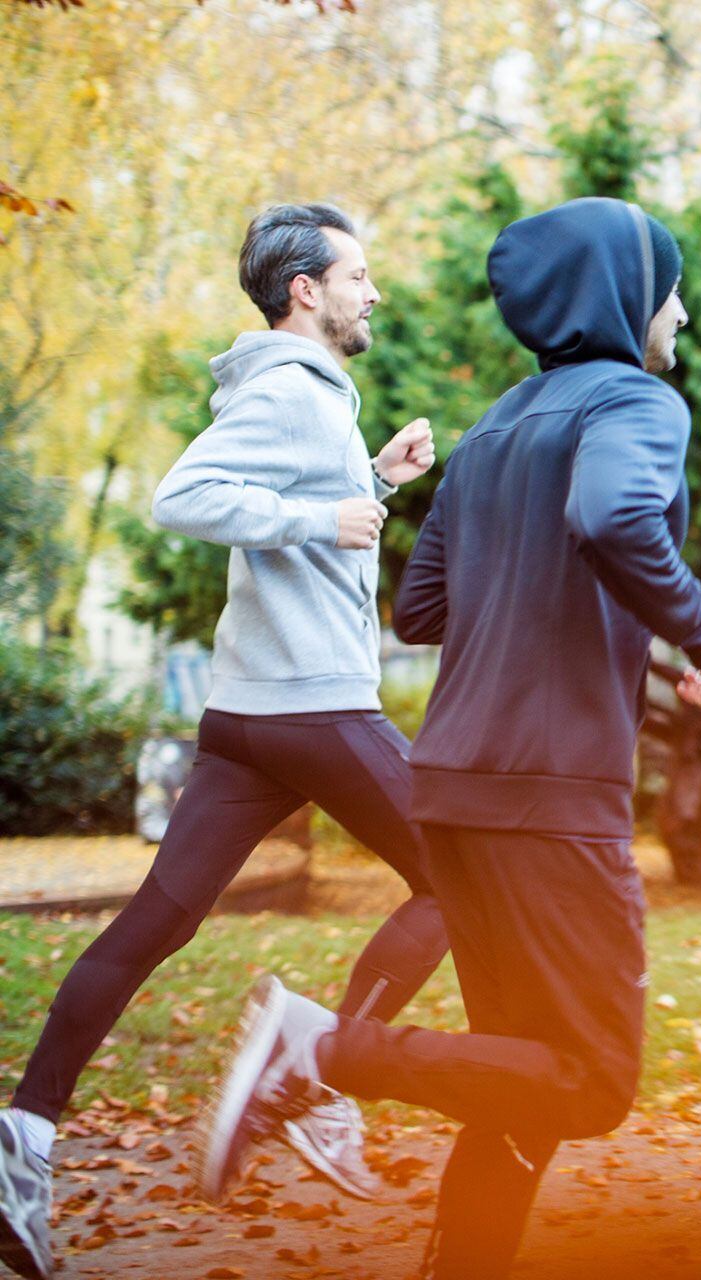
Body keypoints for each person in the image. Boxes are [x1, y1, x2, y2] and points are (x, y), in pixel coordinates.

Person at [192, 198, 701, 1280]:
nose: (679, 309)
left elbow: (424, 606)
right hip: (548, 794)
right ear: (625, 295)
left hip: (455, 787)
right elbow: (616, 519)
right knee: (592, 1081)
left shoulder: (495, 427)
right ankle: (317, 1047)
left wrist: (578, 613)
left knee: (519, 1084)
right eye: (668, 285)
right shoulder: (637, 399)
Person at [0, 203, 448, 1280]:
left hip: (248, 711)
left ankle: (22, 1137)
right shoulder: (295, 390)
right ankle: (318, 1072)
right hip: (316, 705)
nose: (373, 291)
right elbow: (184, 495)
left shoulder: (298, 395)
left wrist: (372, 484)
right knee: (464, 879)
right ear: (307, 290)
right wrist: (320, 517)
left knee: (160, 914)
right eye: (359, 273)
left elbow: (293, 501)